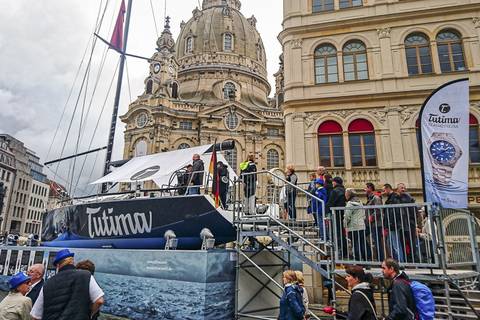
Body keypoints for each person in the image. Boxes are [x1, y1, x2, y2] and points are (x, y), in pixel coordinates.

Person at [31, 249, 105, 320]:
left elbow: (36, 315)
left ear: (57, 266)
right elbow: (99, 301)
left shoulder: (47, 283)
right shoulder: (86, 276)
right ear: (72, 261)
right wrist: (88, 315)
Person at [397, 183, 420, 263]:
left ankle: (414, 260)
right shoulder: (397, 198)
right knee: (403, 243)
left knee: (411, 243)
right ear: (398, 189)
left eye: (404, 188)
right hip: (402, 225)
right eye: (401, 188)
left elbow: (415, 212)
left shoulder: (408, 197)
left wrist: (414, 223)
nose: (403, 189)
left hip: (409, 224)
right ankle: (408, 259)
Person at [344, 188, 368, 261]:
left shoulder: (350, 203)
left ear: (348, 194)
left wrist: (345, 225)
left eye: (345, 193)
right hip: (361, 225)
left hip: (353, 226)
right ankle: (366, 260)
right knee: (362, 243)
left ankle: (358, 260)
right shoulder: (360, 202)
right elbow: (364, 214)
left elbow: (347, 216)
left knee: (355, 244)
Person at [326, 177, 347, 258]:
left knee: (336, 233)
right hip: (340, 213)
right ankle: (343, 251)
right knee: (341, 233)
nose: (332, 183)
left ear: (335, 182)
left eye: (333, 182)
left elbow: (331, 202)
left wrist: (326, 210)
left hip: (335, 213)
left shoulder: (335, 191)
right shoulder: (343, 190)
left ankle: (339, 251)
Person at [382, 183, 403, 262]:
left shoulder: (395, 198)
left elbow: (396, 212)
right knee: (391, 245)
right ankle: (396, 262)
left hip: (393, 224)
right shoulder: (390, 198)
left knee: (396, 245)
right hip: (390, 225)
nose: (383, 192)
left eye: (384, 190)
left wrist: (392, 223)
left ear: (388, 189)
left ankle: (400, 262)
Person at [365, 183, 385, 262]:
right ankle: (376, 258)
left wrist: (372, 217)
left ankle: (381, 259)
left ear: (370, 188)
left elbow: (378, 210)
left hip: (376, 223)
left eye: (366, 188)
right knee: (373, 240)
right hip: (371, 224)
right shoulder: (370, 198)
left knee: (377, 242)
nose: (365, 190)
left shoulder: (376, 197)